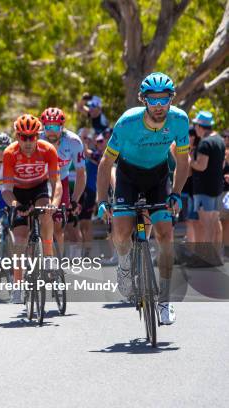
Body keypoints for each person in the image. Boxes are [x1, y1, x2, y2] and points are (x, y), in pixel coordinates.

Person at [97, 72, 189, 325]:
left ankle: (165, 301)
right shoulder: (127, 122)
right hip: (128, 176)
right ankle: (125, 264)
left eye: (164, 100)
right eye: (153, 100)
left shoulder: (179, 120)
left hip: (157, 178)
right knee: (122, 232)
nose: (159, 106)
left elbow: (183, 160)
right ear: (143, 100)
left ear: (171, 100)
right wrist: (102, 200)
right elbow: (106, 163)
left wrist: (177, 194)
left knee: (165, 234)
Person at [2, 114, 62, 303]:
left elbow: (56, 182)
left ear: (38, 136)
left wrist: (55, 203)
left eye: (32, 137)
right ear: (17, 136)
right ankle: (18, 285)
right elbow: (6, 191)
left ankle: (49, 257)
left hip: (39, 188)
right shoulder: (9, 153)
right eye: (23, 137)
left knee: (45, 214)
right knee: (20, 239)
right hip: (19, 193)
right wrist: (16, 205)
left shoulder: (48, 150)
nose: (28, 142)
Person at [39, 107, 86, 256]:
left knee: (58, 228)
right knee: (41, 222)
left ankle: (57, 262)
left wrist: (75, 199)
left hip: (62, 181)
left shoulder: (73, 142)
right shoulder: (36, 139)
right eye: (47, 127)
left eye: (55, 127)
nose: (51, 131)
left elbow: (81, 173)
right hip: (40, 182)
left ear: (62, 127)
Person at [189, 110, 225, 266]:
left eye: (196, 124)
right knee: (215, 221)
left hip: (204, 189)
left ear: (200, 126)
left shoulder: (205, 143)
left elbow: (201, 166)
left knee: (207, 223)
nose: (195, 128)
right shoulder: (219, 140)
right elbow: (221, 164)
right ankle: (216, 256)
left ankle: (207, 257)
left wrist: (189, 160)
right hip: (217, 187)